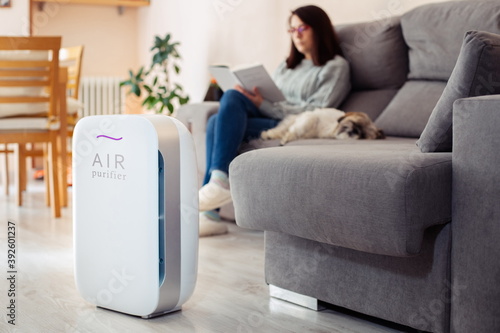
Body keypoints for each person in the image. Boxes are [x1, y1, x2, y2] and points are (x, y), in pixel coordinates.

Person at [199, 5, 351, 235]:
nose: (296, 34)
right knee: (220, 113)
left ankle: (215, 193)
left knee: (223, 111)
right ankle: (214, 199)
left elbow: (316, 110)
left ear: (319, 29)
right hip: (270, 116)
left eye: (302, 28)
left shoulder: (335, 66)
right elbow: (274, 98)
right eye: (292, 30)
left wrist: (263, 105)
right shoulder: (286, 65)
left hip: (298, 126)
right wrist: (259, 100)